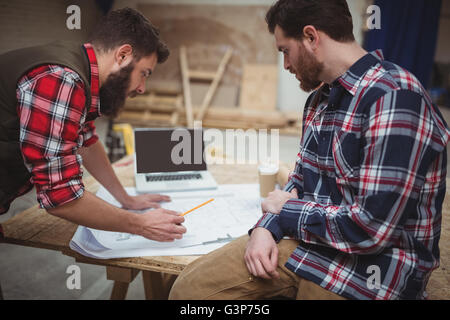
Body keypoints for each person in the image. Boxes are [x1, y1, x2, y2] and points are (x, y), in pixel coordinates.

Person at [169, 0, 450, 300]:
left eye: (284, 51)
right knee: (188, 292)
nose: (286, 65)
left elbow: (372, 229)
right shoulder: (320, 100)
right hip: (315, 245)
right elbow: (299, 182)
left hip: (375, 270)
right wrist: (266, 228)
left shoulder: (395, 98)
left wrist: (285, 211)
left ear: (311, 37)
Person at [0, 8, 186, 242]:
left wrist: (125, 199)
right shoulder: (61, 79)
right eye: (144, 73)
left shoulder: (80, 73)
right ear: (123, 55)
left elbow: (85, 141)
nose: (142, 88)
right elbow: (60, 197)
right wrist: (140, 224)